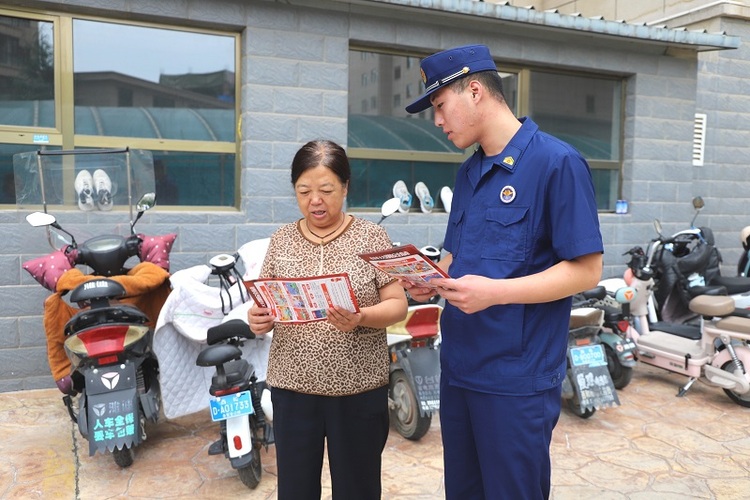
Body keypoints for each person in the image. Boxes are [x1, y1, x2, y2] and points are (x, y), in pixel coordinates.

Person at [403, 44, 604, 499]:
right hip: (459, 369)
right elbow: (458, 260)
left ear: (474, 90)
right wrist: (429, 281)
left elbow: (587, 270)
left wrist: (496, 293)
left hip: (516, 382)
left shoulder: (557, 163)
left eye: (439, 105)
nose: (437, 121)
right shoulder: (468, 173)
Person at [247, 139, 408, 500]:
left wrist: (362, 316)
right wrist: (259, 318)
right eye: (304, 191)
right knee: (296, 490)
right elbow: (268, 303)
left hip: (358, 391)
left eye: (326, 190)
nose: (314, 200)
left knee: (358, 489)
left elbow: (398, 303)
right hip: (293, 390)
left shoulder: (372, 236)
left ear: (345, 187)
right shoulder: (282, 240)